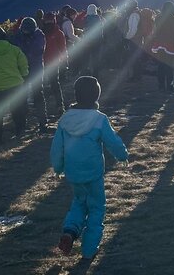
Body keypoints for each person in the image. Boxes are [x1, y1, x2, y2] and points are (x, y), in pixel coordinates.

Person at [51, 76, 128, 261]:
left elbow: (56, 148)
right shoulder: (99, 119)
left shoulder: (65, 120)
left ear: (76, 95)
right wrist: (122, 155)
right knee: (96, 208)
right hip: (93, 173)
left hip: (74, 173)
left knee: (79, 202)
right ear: (96, 97)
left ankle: (70, 231)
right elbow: (113, 141)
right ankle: (89, 250)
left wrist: (58, 167)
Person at [0, 26, 29, 142]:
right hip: (17, 83)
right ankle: (20, 131)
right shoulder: (14, 49)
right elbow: (23, 63)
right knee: (17, 109)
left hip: (0, 87)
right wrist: (24, 74)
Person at [14, 17, 48, 132]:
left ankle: (43, 123)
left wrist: (24, 56)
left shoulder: (39, 36)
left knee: (38, 94)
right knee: (22, 96)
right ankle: (21, 124)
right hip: (24, 69)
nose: (26, 32)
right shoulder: (18, 35)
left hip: (35, 69)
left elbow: (37, 50)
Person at [151, 2, 174, 92]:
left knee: (161, 65)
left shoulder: (158, 18)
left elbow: (154, 30)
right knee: (169, 66)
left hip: (160, 43)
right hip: (170, 44)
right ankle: (169, 86)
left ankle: (161, 85)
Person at [43, 12, 67, 115]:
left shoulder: (56, 32)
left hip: (50, 62)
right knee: (52, 84)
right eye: (47, 20)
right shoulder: (57, 32)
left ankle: (58, 105)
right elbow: (63, 49)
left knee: (52, 84)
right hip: (45, 61)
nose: (49, 22)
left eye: (50, 20)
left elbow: (63, 48)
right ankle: (55, 106)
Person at [83, 5, 104, 78]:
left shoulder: (86, 18)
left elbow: (85, 29)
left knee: (87, 57)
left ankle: (87, 73)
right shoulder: (99, 18)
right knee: (96, 57)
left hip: (88, 40)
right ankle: (96, 74)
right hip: (98, 40)